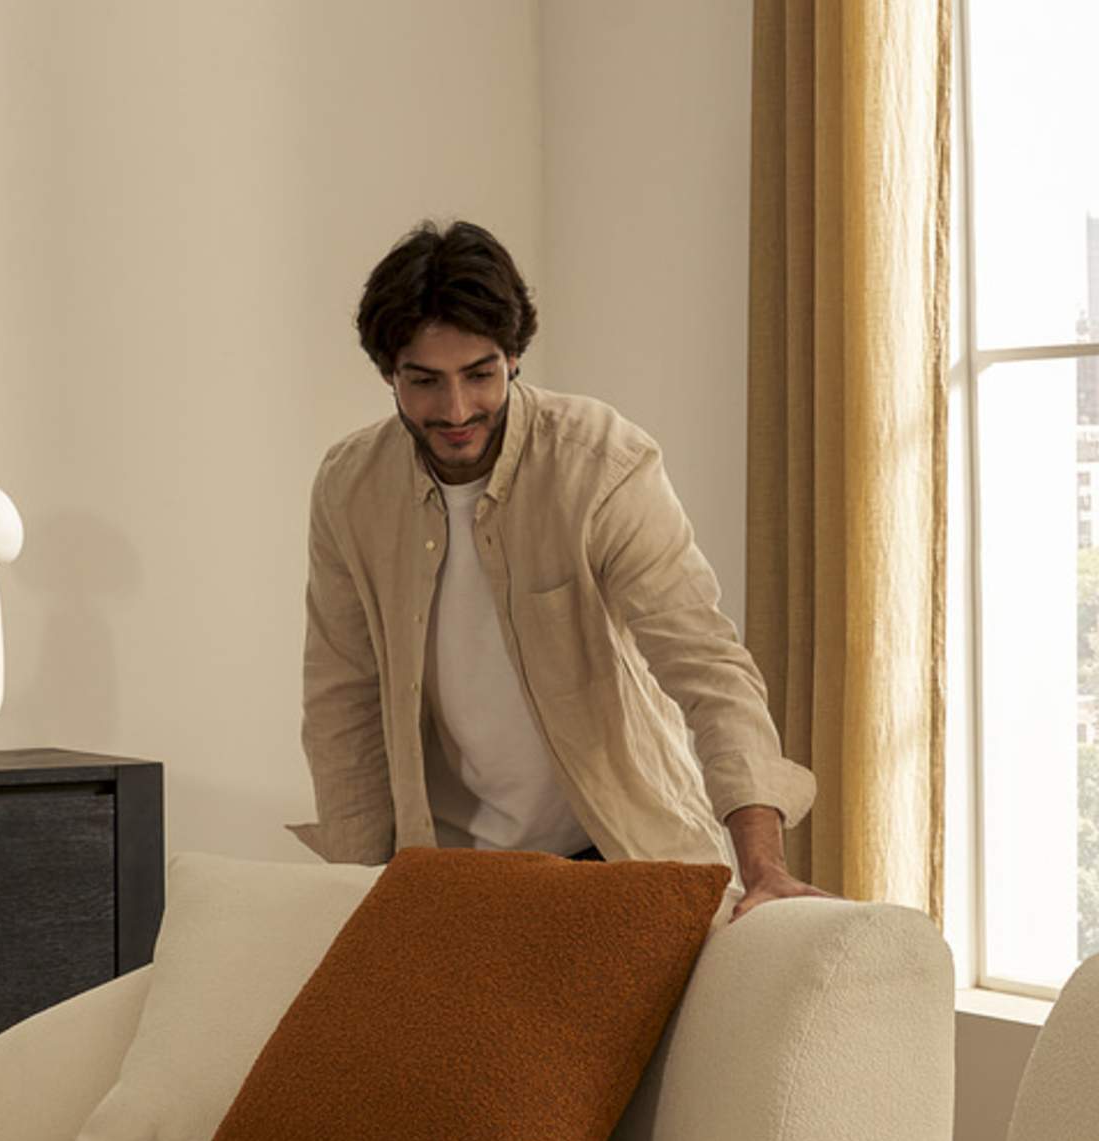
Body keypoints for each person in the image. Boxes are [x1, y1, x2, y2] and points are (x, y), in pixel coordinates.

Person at [292, 219, 830, 920]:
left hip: (616, 855)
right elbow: (342, 704)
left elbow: (704, 664)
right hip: (444, 871)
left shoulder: (601, 464)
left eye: (478, 375)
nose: (455, 410)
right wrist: (362, 897)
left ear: (513, 358)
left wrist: (763, 868)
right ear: (388, 374)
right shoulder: (348, 486)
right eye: (424, 382)